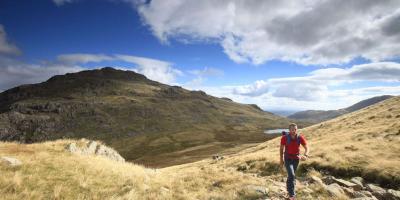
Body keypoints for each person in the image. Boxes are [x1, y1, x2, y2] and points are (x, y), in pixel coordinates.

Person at [280, 123, 310, 200]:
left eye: (295, 129)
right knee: (292, 175)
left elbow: (307, 147)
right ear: (289, 130)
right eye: (292, 129)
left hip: (296, 159)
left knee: (291, 176)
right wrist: (281, 160)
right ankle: (292, 195)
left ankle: (288, 188)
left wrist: (305, 155)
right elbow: (281, 149)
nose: (293, 131)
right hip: (287, 159)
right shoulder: (284, 138)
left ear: (297, 129)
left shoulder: (300, 138)